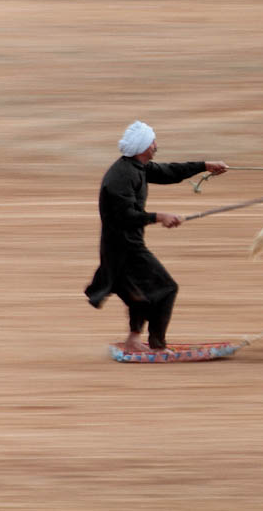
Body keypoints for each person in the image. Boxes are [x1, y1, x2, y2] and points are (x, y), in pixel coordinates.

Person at [84, 120, 228, 353]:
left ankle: (133, 340)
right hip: (123, 248)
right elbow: (125, 216)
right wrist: (159, 217)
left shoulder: (136, 168)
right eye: (153, 141)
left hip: (125, 245)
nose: (156, 145)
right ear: (143, 146)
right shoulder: (121, 177)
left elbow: (169, 171)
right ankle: (158, 346)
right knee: (167, 288)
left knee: (140, 296)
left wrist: (205, 165)